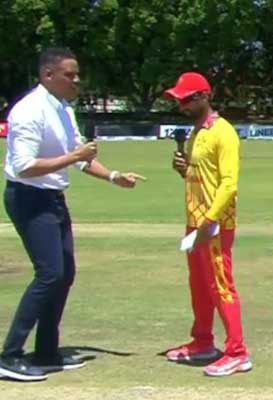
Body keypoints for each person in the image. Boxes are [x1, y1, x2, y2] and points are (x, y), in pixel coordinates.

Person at [0, 47, 145, 382]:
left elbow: (81, 158)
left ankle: (47, 352)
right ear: (47, 75)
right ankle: (9, 355)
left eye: (77, 74)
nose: (76, 80)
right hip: (28, 198)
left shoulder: (63, 110)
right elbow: (23, 167)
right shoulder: (29, 111)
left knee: (64, 274)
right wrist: (73, 156)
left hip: (52, 197)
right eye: (70, 74)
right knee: (49, 273)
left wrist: (112, 176)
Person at [165, 72, 251, 377]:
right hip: (195, 221)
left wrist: (209, 220)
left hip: (214, 224)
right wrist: (184, 170)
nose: (181, 106)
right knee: (199, 285)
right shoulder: (196, 132)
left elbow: (229, 184)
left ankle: (237, 351)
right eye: (179, 100)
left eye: (186, 100)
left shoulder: (223, 132)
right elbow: (202, 176)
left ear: (204, 96)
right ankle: (202, 342)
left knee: (221, 285)